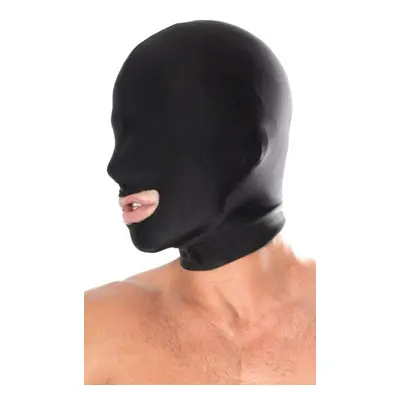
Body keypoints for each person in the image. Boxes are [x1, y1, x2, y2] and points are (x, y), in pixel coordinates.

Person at [84, 20, 316, 385]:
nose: (117, 168)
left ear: (245, 148)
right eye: (121, 137)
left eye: (150, 139)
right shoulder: (90, 331)